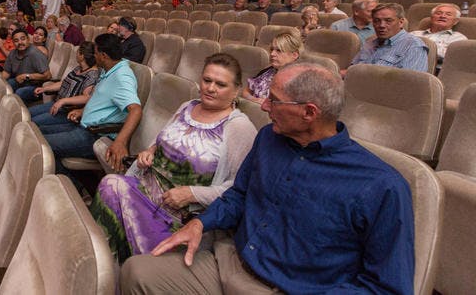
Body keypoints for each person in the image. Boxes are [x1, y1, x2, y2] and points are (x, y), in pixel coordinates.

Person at [121, 63, 414, 295]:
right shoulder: (268, 139)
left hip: (291, 289)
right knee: (136, 272)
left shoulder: (381, 186)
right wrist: (201, 223)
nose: (263, 106)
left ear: (309, 112)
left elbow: (385, 287)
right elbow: (239, 195)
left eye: (273, 100)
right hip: (231, 263)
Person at [91, 54, 257, 262]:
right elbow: (159, 141)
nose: (210, 88)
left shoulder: (239, 128)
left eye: (220, 84)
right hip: (144, 189)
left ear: (236, 90)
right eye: (207, 80)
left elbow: (238, 189)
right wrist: (148, 152)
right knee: (110, 186)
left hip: (178, 217)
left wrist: (192, 193)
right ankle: (103, 268)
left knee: (112, 188)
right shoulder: (187, 106)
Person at [39, 33, 142, 174]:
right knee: (37, 133)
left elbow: (135, 110)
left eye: (96, 53)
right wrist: (82, 111)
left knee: (38, 145)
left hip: (93, 135)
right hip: (82, 126)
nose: (94, 57)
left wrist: (120, 141)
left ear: (104, 55)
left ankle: (70, 185)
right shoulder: (109, 71)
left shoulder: (122, 76)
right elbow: (101, 99)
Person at [30, 41, 100, 128]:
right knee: (28, 113)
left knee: (33, 122)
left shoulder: (92, 74)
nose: (76, 54)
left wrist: (63, 101)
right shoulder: (79, 68)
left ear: (82, 56)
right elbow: (64, 83)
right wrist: (45, 89)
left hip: (67, 111)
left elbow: (86, 97)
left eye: (78, 51)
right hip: (57, 104)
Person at [349, 3, 428, 73]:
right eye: (377, 21)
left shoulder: (414, 46)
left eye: (388, 21)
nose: (381, 25)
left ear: (401, 23)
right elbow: (352, 69)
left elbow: (410, 83)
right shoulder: (370, 42)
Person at [242, 32, 302, 104]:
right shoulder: (267, 72)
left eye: (278, 50)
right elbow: (246, 92)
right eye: (272, 49)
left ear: (294, 55)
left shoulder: (299, 82)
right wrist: (254, 99)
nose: (272, 54)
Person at [2, 29, 51, 103]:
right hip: (20, 82)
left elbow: (48, 76)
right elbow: (6, 72)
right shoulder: (13, 53)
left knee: (20, 92)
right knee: (5, 86)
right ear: (13, 43)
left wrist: (26, 76)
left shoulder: (35, 54)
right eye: (16, 40)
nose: (20, 42)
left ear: (28, 39)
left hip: (35, 86)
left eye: (23, 39)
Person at [411, 3, 467, 67]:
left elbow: (450, 58)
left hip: (436, 72)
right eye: (438, 13)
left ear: (455, 21)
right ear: (432, 18)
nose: (442, 16)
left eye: (448, 14)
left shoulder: (459, 38)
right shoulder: (414, 34)